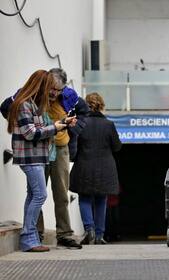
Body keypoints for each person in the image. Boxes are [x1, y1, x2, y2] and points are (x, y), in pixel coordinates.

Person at [1, 68, 89, 249]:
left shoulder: (68, 95)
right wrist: (19, 123)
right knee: (38, 193)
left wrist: (70, 128)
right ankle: (34, 234)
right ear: (45, 85)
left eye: (59, 91)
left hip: (57, 146)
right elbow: (11, 113)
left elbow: (83, 112)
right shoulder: (28, 100)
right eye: (53, 89)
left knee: (59, 192)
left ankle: (62, 234)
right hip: (35, 149)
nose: (55, 94)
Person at [69, 92, 122, 245]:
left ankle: (89, 229)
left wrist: (74, 157)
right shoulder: (109, 124)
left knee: (84, 198)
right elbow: (117, 147)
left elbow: (73, 146)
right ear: (101, 105)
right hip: (105, 167)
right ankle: (99, 235)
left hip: (84, 165)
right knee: (101, 200)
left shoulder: (81, 123)